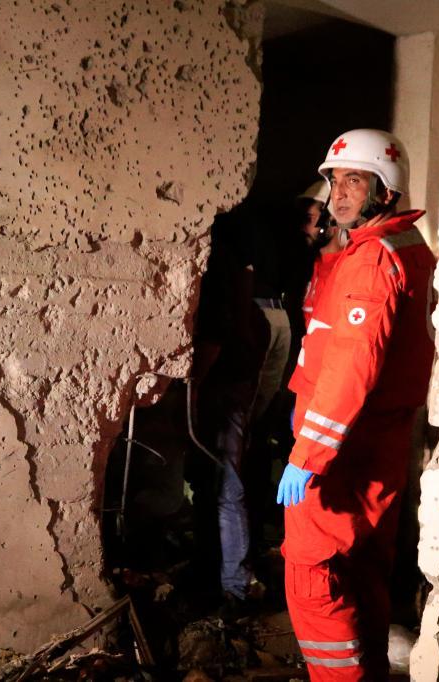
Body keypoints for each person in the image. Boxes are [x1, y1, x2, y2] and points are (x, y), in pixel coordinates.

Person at [275, 129, 437, 680]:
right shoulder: (404, 246)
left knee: (312, 573)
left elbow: (351, 366)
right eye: (334, 181)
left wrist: (308, 454)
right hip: (378, 439)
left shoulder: (371, 258)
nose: (338, 194)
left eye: (354, 181)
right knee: (364, 568)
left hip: (344, 448)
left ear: (385, 190)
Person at [189, 209, 270, 613]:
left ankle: (235, 585)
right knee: (218, 480)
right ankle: (222, 573)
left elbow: (216, 333)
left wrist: (195, 385)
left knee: (225, 483)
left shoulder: (219, 260)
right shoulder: (238, 263)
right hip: (236, 375)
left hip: (224, 380)